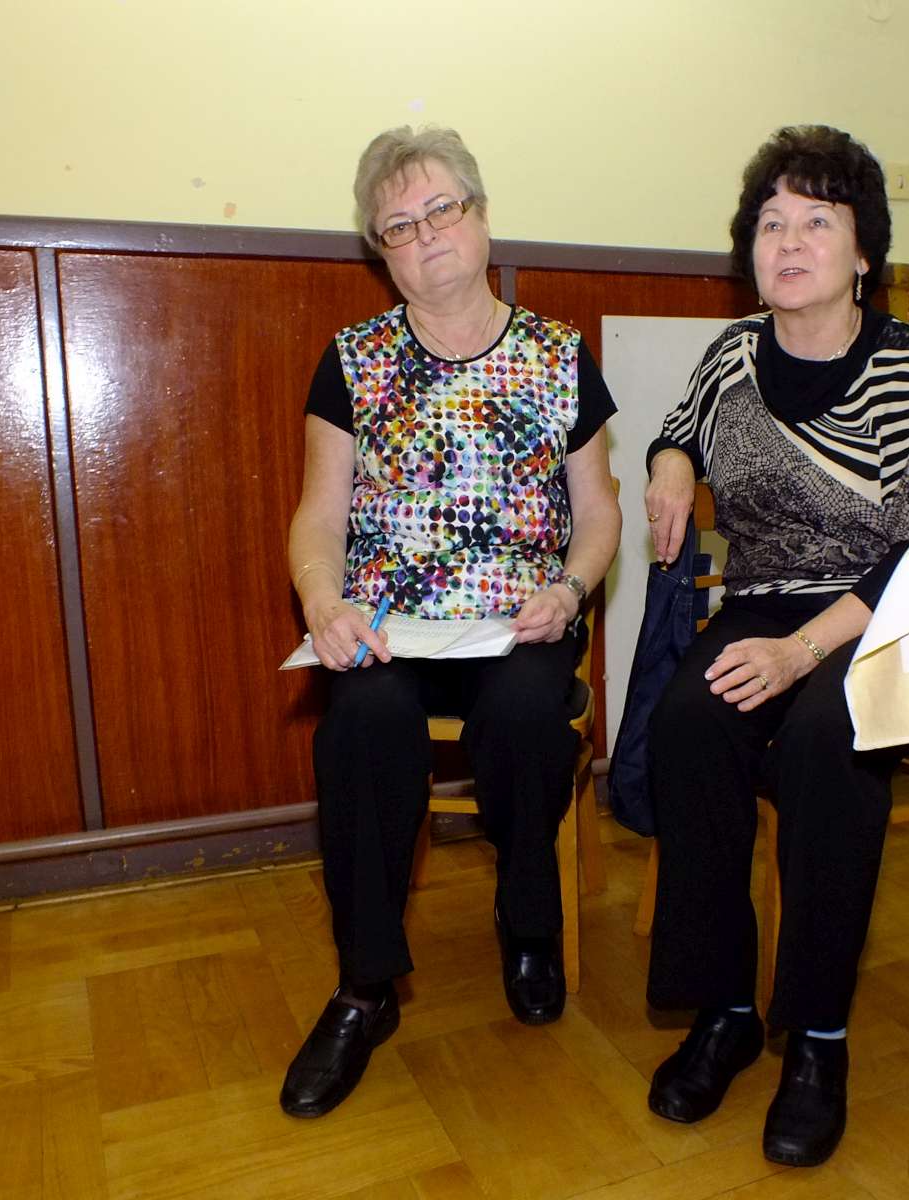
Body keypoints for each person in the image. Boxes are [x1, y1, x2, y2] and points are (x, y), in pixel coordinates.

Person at [638, 125, 909, 1167]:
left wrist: (801, 652)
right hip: (764, 597)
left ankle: (819, 1036)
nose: (787, 242)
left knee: (830, 740)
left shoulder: (907, 363)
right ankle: (728, 1009)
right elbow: (678, 427)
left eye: (816, 222)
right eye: (770, 223)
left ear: (863, 250)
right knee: (690, 721)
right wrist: (670, 467)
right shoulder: (733, 352)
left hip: (880, 608)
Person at [280, 125, 621, 1119]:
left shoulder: (558, 354)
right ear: (379, 252)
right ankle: (365, 985)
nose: (425, 234)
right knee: (361, 720)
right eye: (398, 225)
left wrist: (572, 588)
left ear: (480, 217)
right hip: (392, 619)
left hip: (522, 617)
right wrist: (323, 599)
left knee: (525, 714)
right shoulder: (353, 359)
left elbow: (598, 514)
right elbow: (320, 514)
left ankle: (528, 921)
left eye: (441, 210)